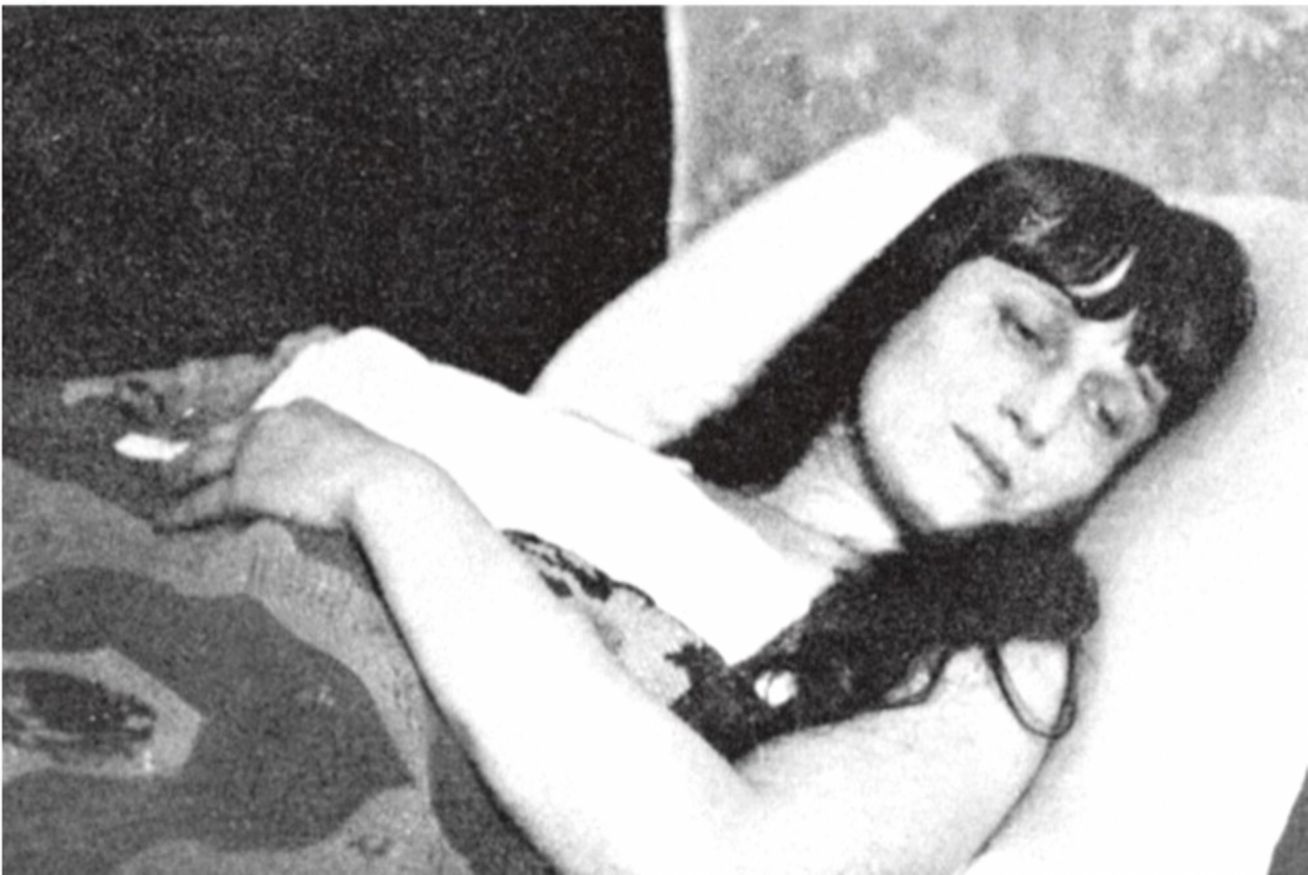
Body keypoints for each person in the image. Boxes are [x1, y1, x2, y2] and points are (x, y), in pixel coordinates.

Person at [160, 154, 1255, 874]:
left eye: (1110, 411)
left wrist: (386, 490)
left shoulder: (984, 660)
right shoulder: (571, 454)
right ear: (913, 286)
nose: (1041, 414)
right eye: (1027, 329)